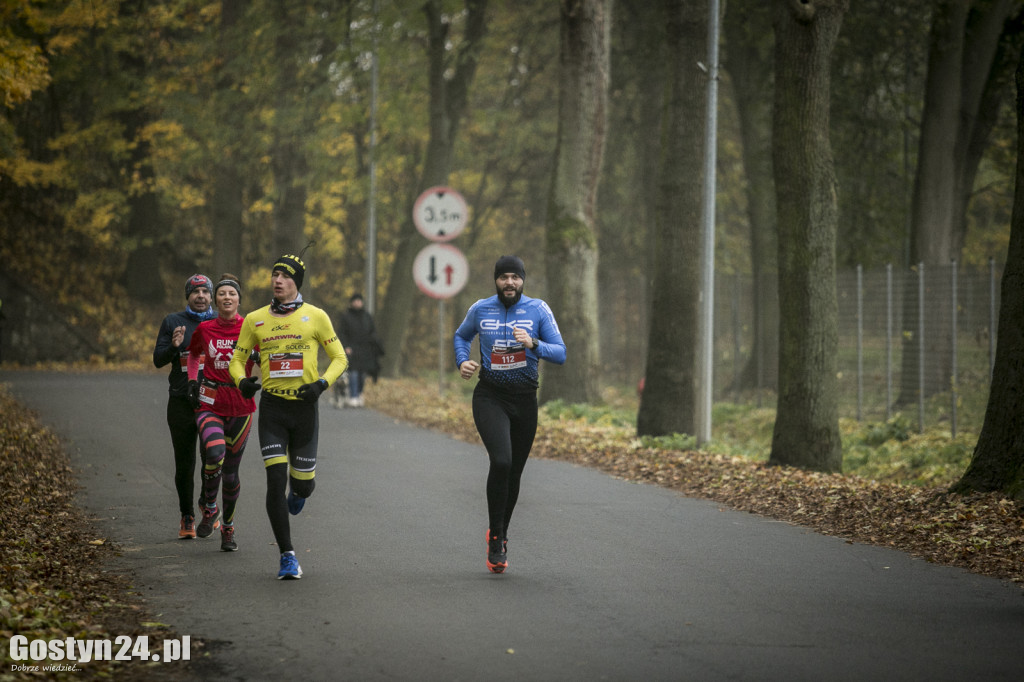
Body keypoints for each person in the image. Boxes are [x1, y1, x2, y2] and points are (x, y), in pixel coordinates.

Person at [229, 253, 347, 579]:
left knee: (302, 487)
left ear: (297, 283)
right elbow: (236, 360)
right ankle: (287, 555)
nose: (278, 280)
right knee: (275, 480)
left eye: (285, 276)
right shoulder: (255, 319)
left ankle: (300, 492)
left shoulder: (316, 316)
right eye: (274, 275)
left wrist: (322, 384)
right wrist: (241, 382)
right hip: (273, 410)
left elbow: (339, 358)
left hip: (305, 408)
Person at [453, 255, 566, 573]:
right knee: (501, 461)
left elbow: (561, 352)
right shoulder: (480, 308)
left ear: (522, 280)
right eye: (503, 277)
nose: (509, 283)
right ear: (496, 281)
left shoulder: (538, 310)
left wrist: (533, 343)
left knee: (514, 471)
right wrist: (462, 360)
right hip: (490, 396)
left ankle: (499, 534)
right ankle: (496, 538)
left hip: (525, 399)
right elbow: (461, 336)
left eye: (515, 277)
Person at [185, 274, 257, 551]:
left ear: (239, 300)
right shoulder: (205, 328)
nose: (227, 298)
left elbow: (265, 356)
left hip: (241, 403)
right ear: (216, 300)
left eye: (232, 294)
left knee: (231, 473)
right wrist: (193, 381)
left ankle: (228, 528)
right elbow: (193, 355)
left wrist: (257, 374)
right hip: (210, 401)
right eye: (223, 294)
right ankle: (209, 507)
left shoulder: (250, 327)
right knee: (214, 452)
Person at [152, 274, 216, 538]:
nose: (200, 296)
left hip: (211, 402)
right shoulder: (173, 322)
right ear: (187, 296)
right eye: (195, 292)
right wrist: (174, 347)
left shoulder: (219, 322)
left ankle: (205, 501)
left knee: (212, 457)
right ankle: (187, 516)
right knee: (185, 463)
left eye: (205, 292)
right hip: (180, 401)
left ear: (211, 297)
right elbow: (157, 359)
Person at [337, 293, 382, 407]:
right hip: (352, 349)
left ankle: (359, 393)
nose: (357, 303)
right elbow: (342, 333)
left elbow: (372, 332)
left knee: (362, 374)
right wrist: (345, 346)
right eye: (355, 301)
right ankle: (353, 396)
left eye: (359, 301)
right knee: (353, 373)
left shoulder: (367, 317)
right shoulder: (346, 317)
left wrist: (373, 346)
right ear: (351, 303)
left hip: (365, 350)